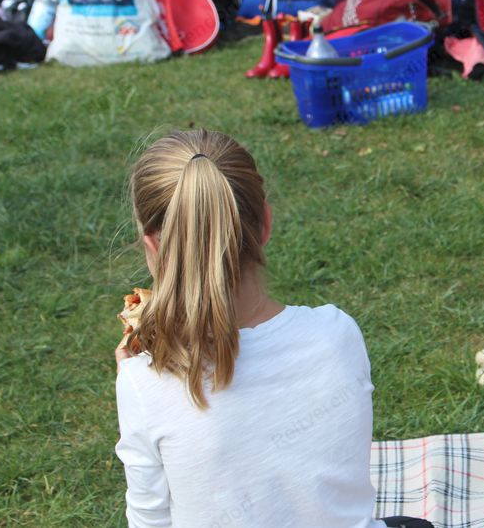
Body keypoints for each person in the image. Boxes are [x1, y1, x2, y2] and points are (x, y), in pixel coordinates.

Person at [114, 129, 431, 528]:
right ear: (264, 223)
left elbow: (150, 520)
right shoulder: (336, 334)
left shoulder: (142, 382)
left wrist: (138, 381)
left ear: (154, 246)